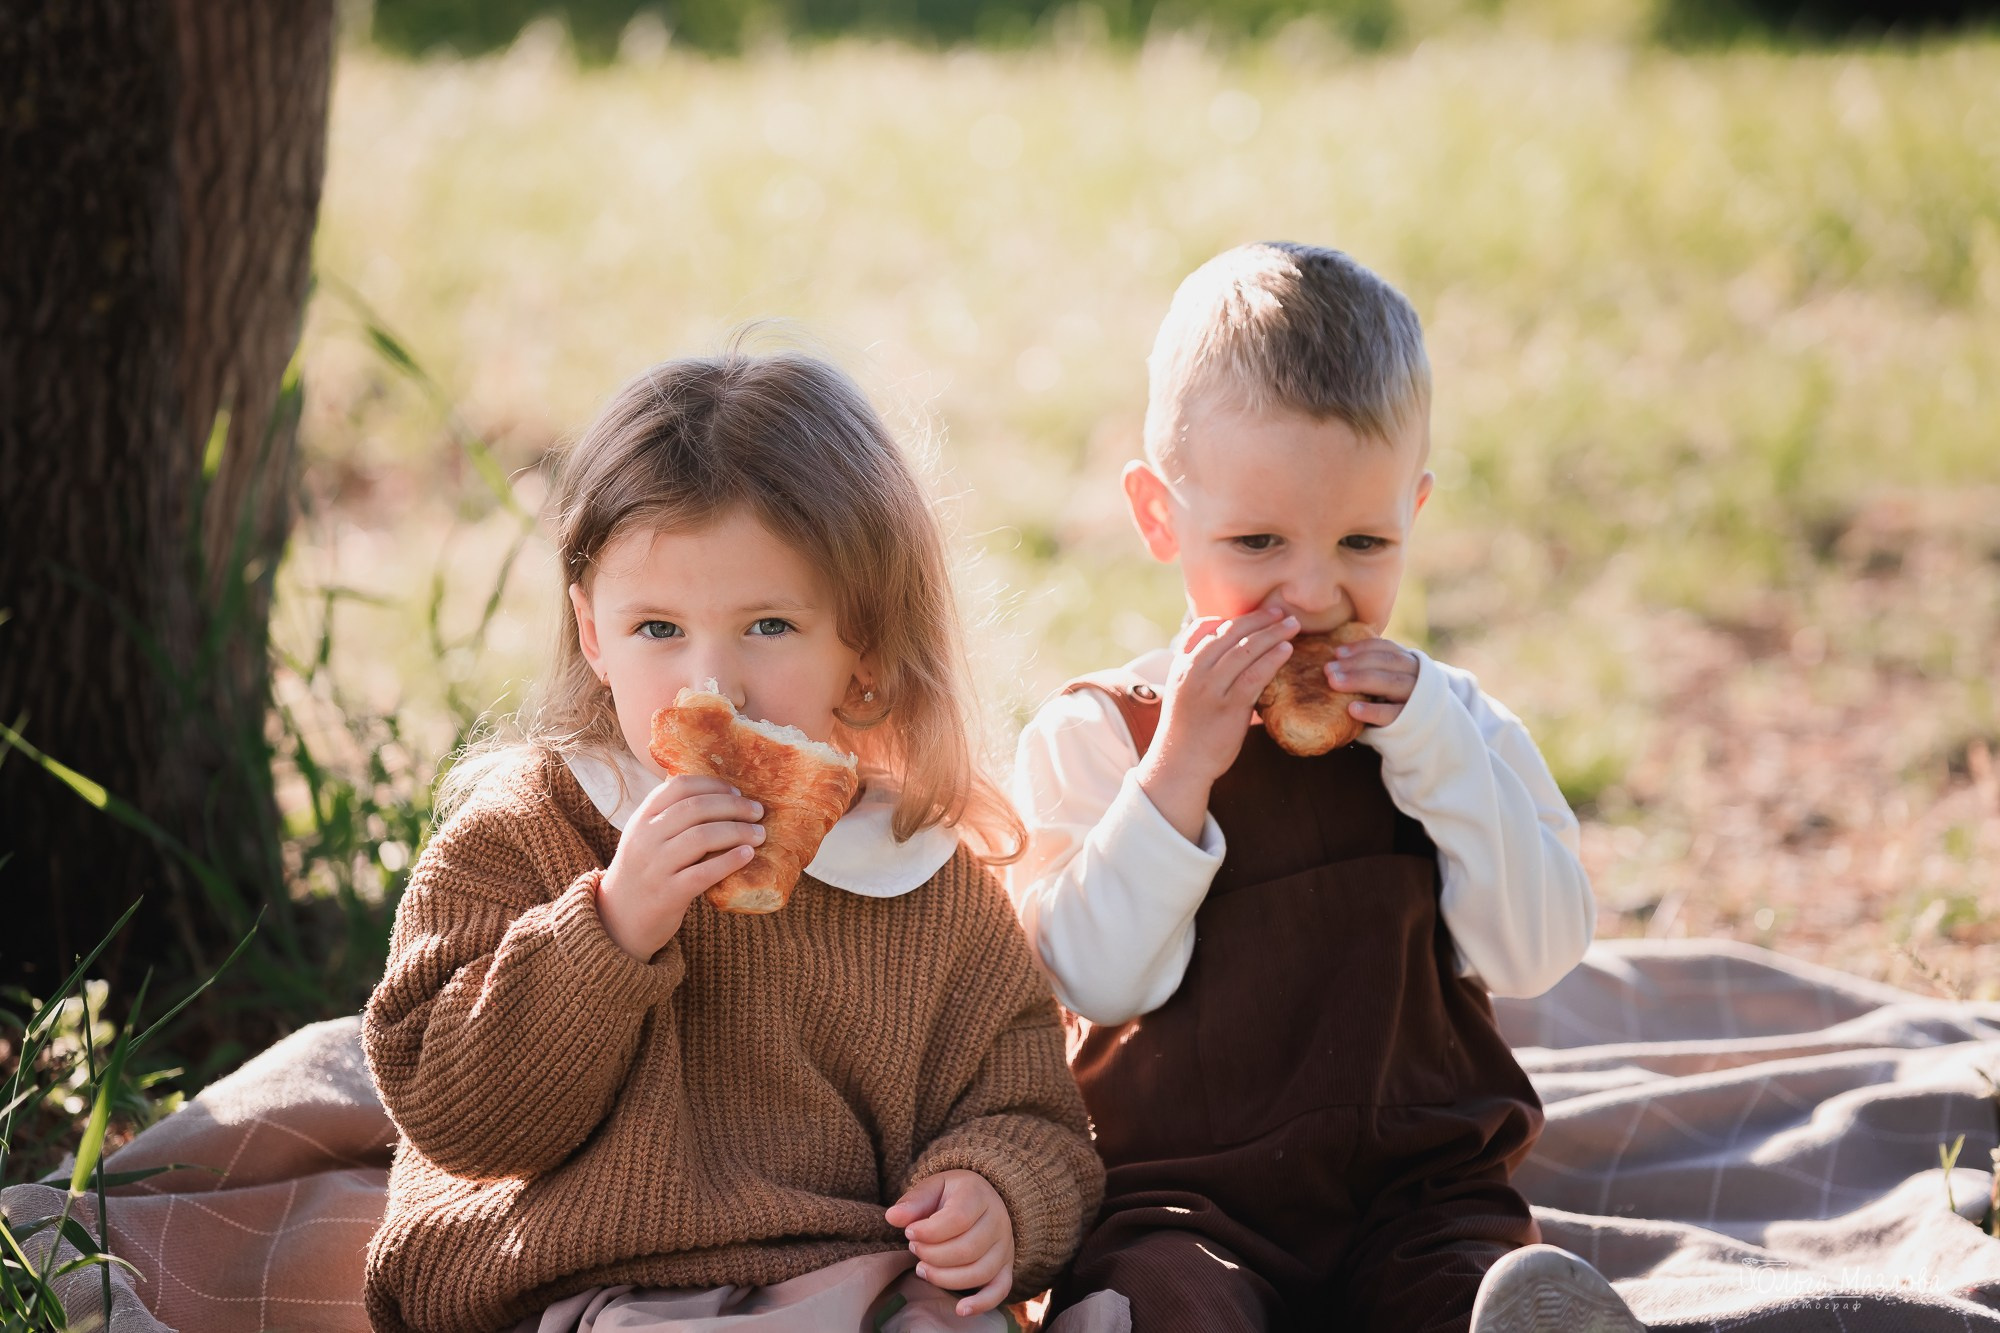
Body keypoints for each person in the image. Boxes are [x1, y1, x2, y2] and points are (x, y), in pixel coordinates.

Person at [363, 347, 1105, 1333]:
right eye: (658, 629)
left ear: (864, 651)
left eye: (766, 624)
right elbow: (457, 1116)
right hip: (585, 1277)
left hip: (848, 1274)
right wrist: (611, 929)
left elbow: (1030, 1114)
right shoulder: (521, 832)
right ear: (592, 635)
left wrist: (992, 1194)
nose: (711, 684)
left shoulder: (920, 874)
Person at [1007, 243, 1644, 1333]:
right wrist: (1177, 774)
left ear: (1417, 507)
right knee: (1154, 1302)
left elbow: (1535, 949)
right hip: (1183, 1200)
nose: (1310, 592)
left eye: (1363, 540)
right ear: (1160, 518)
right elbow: (1089, 978)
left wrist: (1439, 753)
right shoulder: (1104, 735)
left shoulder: (1453, 724)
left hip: (1418, 1195)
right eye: (1255, 541)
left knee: (1469, 1293)